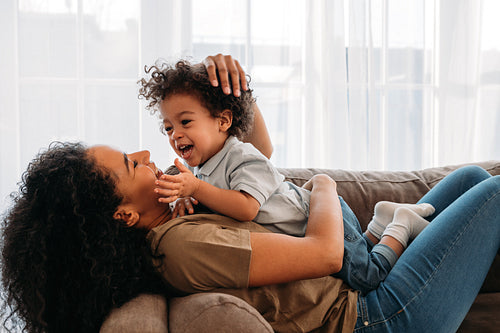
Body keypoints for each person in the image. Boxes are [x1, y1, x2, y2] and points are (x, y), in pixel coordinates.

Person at [1, 55, 499, 333]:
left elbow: (252, 156)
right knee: (494, 192)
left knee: (471, 179)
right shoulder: (181, 247)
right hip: (379, 318)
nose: (147, 152)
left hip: (370, 302)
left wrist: (236, 96)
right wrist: (323, 186)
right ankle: (397, 231)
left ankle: (403, 231)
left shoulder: (180, 212)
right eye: (132, 164)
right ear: (125, 215)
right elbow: (326, 254)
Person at [138, 55, 435, 294]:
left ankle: (401, 224)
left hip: (320, 217)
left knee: (368, 277)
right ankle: (382, 218)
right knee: (361, 261)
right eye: (168, 128)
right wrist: (182, 200)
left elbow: (245, 208)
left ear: (223, 121)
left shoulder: (243, 155)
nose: (175, 135)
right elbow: (203, 200)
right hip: (312, 226)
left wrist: (195, 189)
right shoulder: (196, 168)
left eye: (185, 122)